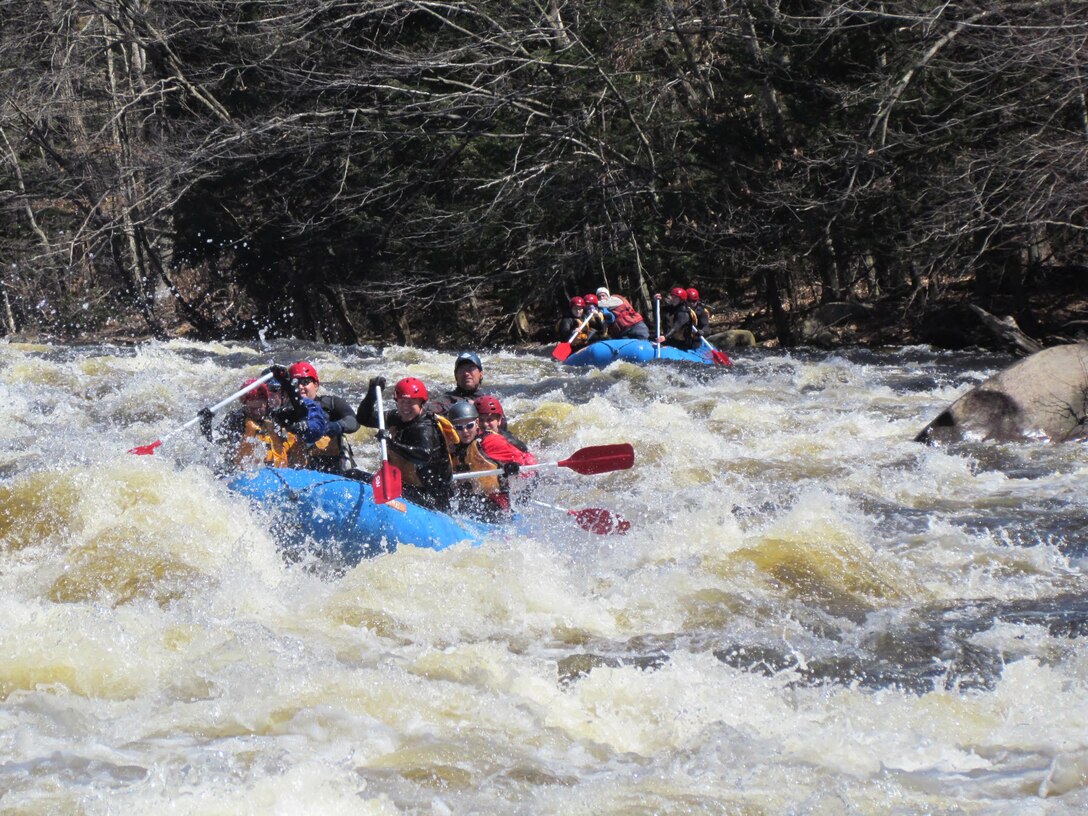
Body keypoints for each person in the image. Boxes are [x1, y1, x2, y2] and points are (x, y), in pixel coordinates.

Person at [356, 376, 454, 512]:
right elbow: (363, 418)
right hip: (404, 486)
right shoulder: (396, 416)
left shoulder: (425, 427)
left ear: (421, 403)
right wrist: (372, 394)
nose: (405, 407)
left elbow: (423, 455)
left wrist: (391, 443)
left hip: (430, 497)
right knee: (353, 474)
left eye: (411, 402)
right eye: (401, 402)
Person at [199, 371, 326, 474]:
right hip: (249, 474)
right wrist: (205, 423)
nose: (257, 411)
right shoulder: (237, 419)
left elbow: (301, 410)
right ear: (245, 404)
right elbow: (214, 441)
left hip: (283, 473)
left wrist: (286, 383)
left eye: (260, 406)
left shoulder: (276, 415)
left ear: (266, 402)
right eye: (252, 407)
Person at [448, 395, 537, 520]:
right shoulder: (451, 446)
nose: (465, 431)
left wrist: (513, 468)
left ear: (476, 424)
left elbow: (529, 467)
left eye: (469, 426)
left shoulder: (490, 441)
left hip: (495, 505)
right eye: (458, 428)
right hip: (465, 501)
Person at [287, 361, 360, 474]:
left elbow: (355, 422)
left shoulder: (331, 404)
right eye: (295, 383)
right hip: (298, 470)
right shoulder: (285, 410)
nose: (300, 387)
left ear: (316, 385)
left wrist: (334, 426)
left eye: (305, 382)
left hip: (332, 468)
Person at [428, 351, 488, 416]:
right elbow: (429, 411)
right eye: (462, 369)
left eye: (471, 368)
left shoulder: (488, 401)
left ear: (481, 374)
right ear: (456, 375)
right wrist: (463, 404)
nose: (466, 373)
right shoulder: (445, 400)